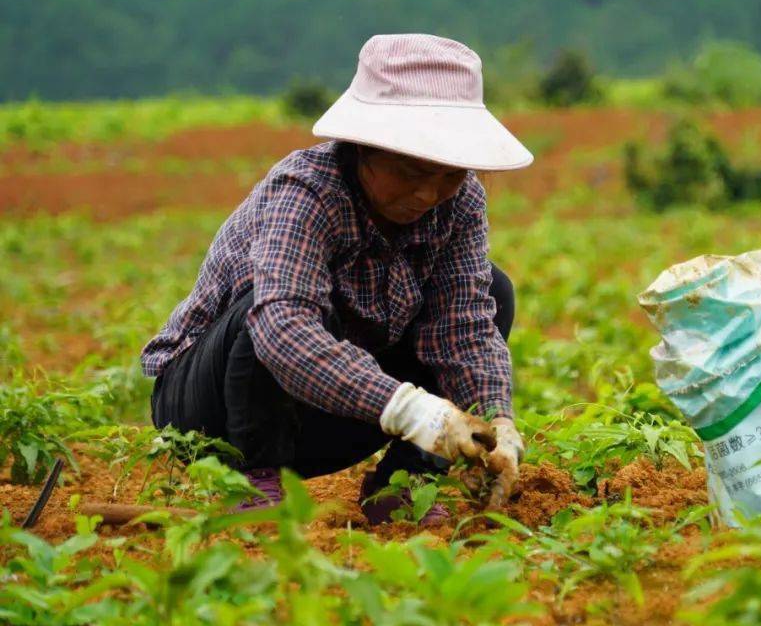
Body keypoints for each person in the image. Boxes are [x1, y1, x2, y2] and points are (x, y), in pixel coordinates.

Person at [140, 34, 532, 526]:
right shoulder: (305, 192)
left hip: (326, 411)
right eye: (411, 171)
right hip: (210, 411)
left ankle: (404, 485)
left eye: (449, 175)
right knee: (267, 309)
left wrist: (495, 420)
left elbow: (465, 329)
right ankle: (254, 481)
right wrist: (415, 413)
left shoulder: (460, 202)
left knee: (493, 292)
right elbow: (282, 332)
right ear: (367, 148)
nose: (430, 192)